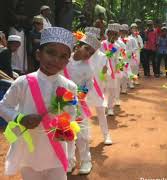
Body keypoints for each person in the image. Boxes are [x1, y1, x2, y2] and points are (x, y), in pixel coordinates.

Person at [0, 27, 76, 180]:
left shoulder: (70, 87)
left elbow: (70, 116)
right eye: (51, 52)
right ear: (38, 54)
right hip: (29, 152)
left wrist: (63, 124)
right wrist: (20, 118)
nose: (56, 60)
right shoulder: (22, 83)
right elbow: (3, 106)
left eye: (63, 56)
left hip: (56, 153)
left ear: (67, 61)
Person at [64, 33, 100, 174]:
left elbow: (88, 86)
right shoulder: (64, 60)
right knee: (66, 132)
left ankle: (86, 161)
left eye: (92, 53)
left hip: (78, 103)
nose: (88, 54)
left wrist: (79, 95)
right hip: (61, 103)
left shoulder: (88, 68)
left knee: (82, 134)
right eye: (87, 49)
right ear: (78, 46)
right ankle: (69, 161)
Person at [85, 27, 113, 145]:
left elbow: (107, 75)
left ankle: (106, 135)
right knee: (83, 114)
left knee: (101, 112)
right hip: (84, 90)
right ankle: (85, 135)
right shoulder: (82, 55)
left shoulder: (102, 56)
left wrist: (104, 72)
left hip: (98, 89)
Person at [101, 23, 121, 116]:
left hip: (113, 70)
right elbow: (99, 57)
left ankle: (110, 108)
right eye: (111, 33)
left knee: (112, 89)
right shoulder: (102, 44)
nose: (113, 36)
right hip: (102, 69)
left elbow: (117, 59)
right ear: (108, 33)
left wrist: (117, 70)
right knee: (103, 88)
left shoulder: (117, 46)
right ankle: (103, 106)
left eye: (115, 34)